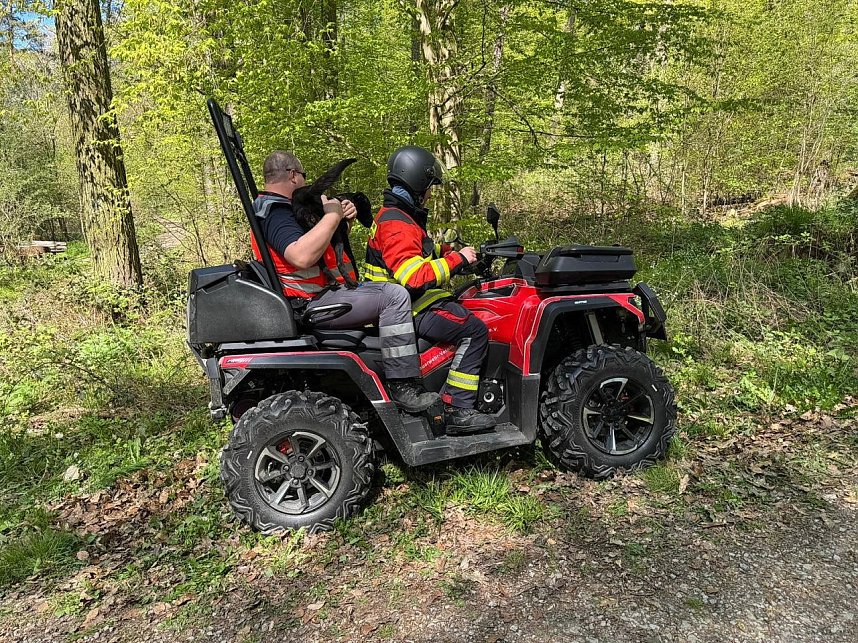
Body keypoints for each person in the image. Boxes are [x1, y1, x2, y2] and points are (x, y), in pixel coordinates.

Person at [251, 150, 439, 413]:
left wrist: (343, 220)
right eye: (303, 176)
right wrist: (331, 215)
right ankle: (403, 386)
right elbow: (302, 255)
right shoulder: (275, 212)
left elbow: (321, 247)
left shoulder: (278, 208)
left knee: (384, 294)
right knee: (394, 296)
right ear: (293, 175)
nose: (306, 181)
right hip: (310, 303)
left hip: (317, 296)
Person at [364, 146, 496, 434]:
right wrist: (457, 259)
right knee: (475, 331)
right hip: (408, 308)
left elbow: (420, 252)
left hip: (405, 304)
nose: (430, 194)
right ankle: (459, 409)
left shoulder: (398, 217)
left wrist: (450, 251)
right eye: (429, 188)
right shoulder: (397, 223)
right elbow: (412, 276)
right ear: (418, 184)